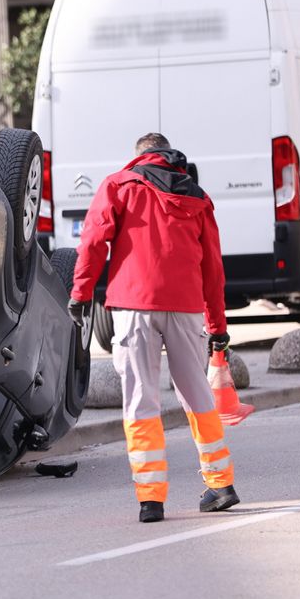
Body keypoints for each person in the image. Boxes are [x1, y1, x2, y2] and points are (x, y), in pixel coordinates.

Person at [67, 133, 238, 524]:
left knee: (142, 400)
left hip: (134, 306)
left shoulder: (119, 185)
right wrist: (218, 327)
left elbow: (93, 242)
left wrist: (80, 295)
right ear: (170, 157)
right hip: (187, 307)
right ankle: (221, 483)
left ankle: (151, 500)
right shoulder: (198, 197)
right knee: (198, 396)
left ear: (140, 157)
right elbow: (213, 268)